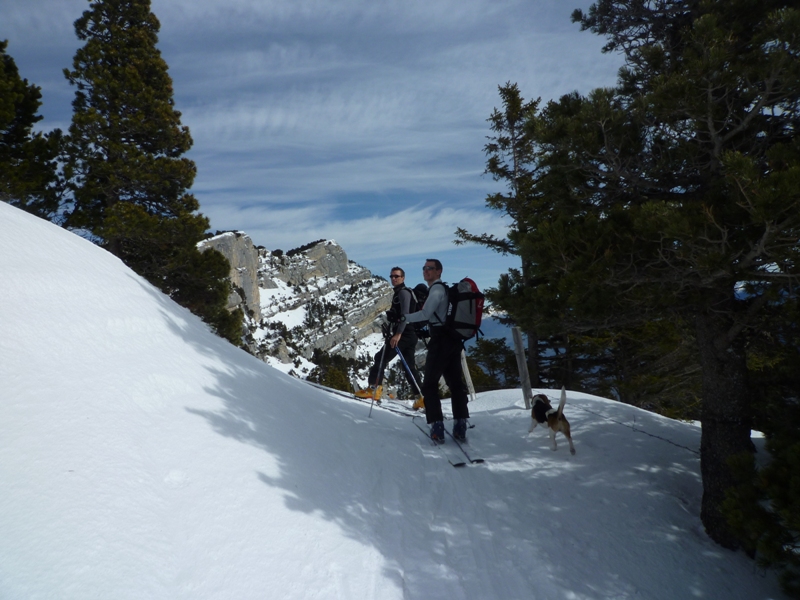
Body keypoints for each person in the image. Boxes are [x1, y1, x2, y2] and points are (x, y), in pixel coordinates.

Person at [401, 259, 469, 443]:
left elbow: (425, 314)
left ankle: (437, 426)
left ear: (439, 271)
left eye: (430, 268)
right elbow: (439, 317)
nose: (426, 271)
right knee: (456, 384)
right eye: (424, 268)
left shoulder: (437, 289)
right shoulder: (444, 290)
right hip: (452, 341)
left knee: (429, 385)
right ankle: (460, 425)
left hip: (440, 343)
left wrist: (403, 317)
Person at [355, 267, 424, 408]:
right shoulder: (402, 293)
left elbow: (405, 315)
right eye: (392, 276)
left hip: (404, 334)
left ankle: (374, 390)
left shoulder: (403, 293)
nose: (394, 278)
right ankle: (422, 398)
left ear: (403, 278)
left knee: (381, 358)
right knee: (409, 367)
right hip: (411, 335)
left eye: (397, 276)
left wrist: (398, 334)